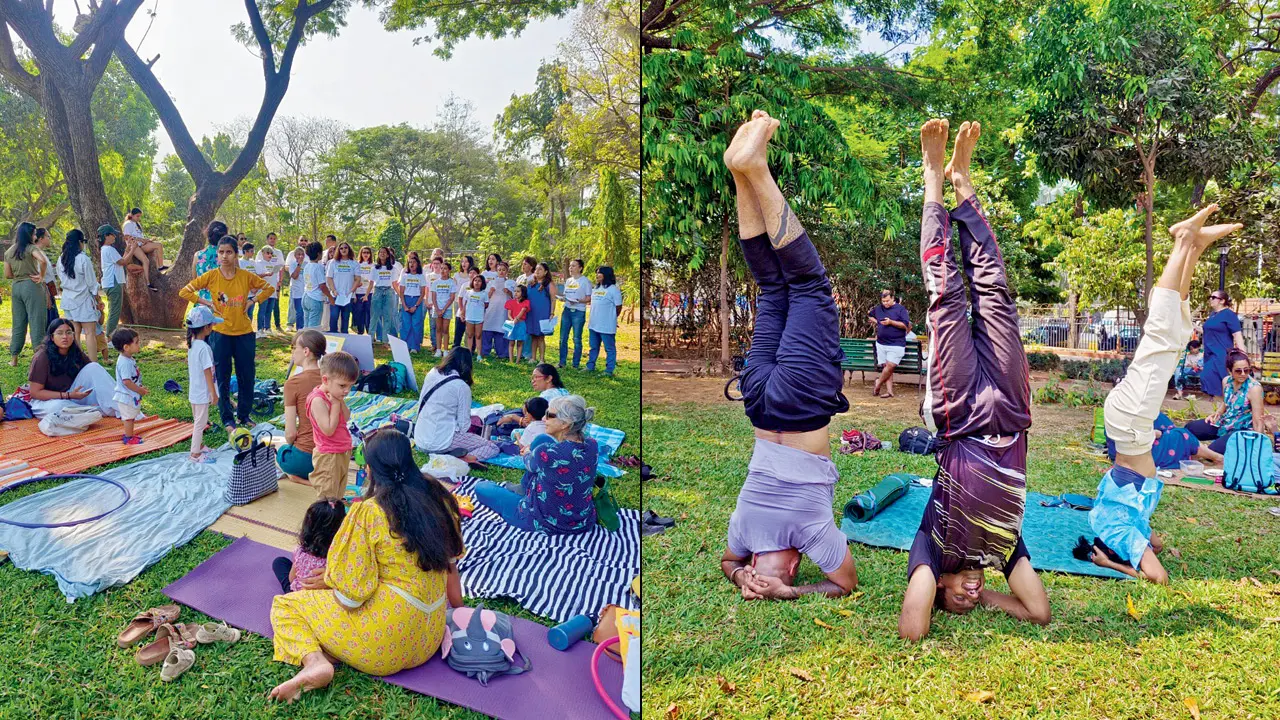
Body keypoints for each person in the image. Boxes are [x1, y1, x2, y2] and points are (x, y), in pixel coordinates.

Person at [895, 120, 1047, 640]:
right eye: (971, 599)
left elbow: (913, 628)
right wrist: (987, 601)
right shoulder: (1004, 550)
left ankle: (933, 178)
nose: (969, 593)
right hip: (1012, 413)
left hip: (958, 416)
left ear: (938, 585)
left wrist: (936, 581)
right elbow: (1038, 611)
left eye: (956, 597)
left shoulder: (932, 547)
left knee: (946, 297)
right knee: (996, 296)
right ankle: (964, 182)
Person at [716, 111, 856, 603]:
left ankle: (754, 170)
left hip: (798, 404)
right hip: (757, 400)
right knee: (772, 287)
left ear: (794, 564)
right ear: (758, 562)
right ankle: (740, 172)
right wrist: (742, 577)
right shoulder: (743, 532)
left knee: (807, 283)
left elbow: (844, 583)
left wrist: (788, 593)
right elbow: (728, 561)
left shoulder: (812, 534)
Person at [1083, 204, 1241, 584]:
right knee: (1177, 337)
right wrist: (1151, 545)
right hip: (1129, 422)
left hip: (1131, 420)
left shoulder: (1118, 533)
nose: (1147, 548)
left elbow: (1160, 577)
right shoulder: (1114, 522)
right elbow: (1156, 542)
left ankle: (1183, 239)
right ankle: (1194, 248)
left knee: (1161, 336)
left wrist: (1112, 565)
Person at [267, 428, 464, 702]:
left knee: (285, 606)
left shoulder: (369, 512)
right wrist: (460, 613)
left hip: (383, 645)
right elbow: (450, 568)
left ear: (369, 469)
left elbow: (350, 599)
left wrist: (331, 581)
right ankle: (334, 651)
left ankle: (315, 662)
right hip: (429, 638)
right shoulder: (439, 499)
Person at [179, 235, 275, 432]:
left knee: (246, 375)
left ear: (236, 254)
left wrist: (253, 300)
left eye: (229, 252)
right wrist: (207, 303)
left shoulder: (245, 276)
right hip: (220, 334)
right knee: (222, 377)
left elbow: (269, 288)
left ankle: (244, 415)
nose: (224, 256)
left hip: (244, 333)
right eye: (221, 252)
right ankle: (227, 419)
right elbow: (185, 291)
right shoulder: (212, 276)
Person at [474, 395, 601, 534]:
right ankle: (523, 489)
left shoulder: (547, 452)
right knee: (542, 438)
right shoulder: (592, 444)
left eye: (549, 415)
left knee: (482, 487)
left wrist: (528, 451)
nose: (543, 419)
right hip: (582, 521)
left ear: (565, 424)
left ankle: (522, 491)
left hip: (540, 521)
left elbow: (529, 462)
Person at [413, 348, 499, 461]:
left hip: (420, 438)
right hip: (441, 442)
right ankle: (463, 459)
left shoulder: (432, 373)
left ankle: (452, 453)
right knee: (491, 447)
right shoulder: (461, 386)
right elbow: (464, 426)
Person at [26, 318, 116, 418]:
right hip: (48, 401)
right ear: (52, 337)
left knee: (94, 367)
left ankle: (119, 406)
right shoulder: (42, 357)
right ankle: (92, 410)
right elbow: (35, 393)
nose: (65, 337)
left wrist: (71, 395)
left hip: (73, 396)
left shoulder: (76, 352)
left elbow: (92, 375)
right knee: (58, 407)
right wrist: (67, 395)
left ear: (73, 335)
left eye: (69, 333)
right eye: (59, 333)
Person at [1184, 348, 1265, 455]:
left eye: (1246, 370)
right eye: (1238, 371)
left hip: (1242, 429)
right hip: (1225, 423)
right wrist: (1217, 413)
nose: (1243, 374)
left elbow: (1258, 420)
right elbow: (1226, 402)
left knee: (1212, 452)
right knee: (1189, 429)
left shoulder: (1254, 389)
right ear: (1229, 370)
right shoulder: (1226, 381)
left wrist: (1257, 445)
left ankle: (1219, 447)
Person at [306, 351, 358, 500]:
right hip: (328, 455)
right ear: (325, 380)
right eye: (342, 385)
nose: (347, 391)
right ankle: (328, 515)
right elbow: (328, 430)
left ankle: (337, 511)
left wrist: (339, 401)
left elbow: (346, 417)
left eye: (350, 386)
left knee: (338, 493)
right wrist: (335, 404)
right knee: (328, 497)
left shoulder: (336, 395)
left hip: (341, 450)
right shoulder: (318, 400)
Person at [278, 330, 326, 484]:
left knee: (279, 452)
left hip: (306, 458)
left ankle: (302, 480)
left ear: (306, 351)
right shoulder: (330, 379)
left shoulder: (293, 383)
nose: (292, 352)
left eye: (294, 348)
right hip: (331, 456)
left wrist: (289, 445)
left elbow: (290, 433)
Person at [272, 499, 347, 594]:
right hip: (325, 598)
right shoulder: (341, 555)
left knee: (279, 562)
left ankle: (291, 595)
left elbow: (291, 579)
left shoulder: (300, 552)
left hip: (300, 594)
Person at [55, 229, 103, 363]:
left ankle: (77, 362)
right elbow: (91, 283)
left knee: (75, 333)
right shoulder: (83, 259)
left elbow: (61, 279)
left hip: (68, 300)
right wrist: (97, 298)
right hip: (83, 300)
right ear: (80, 242)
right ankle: (93, 364)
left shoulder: (61, 258)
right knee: (90, 333)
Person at [5, 222, 45, 366]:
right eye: (34, 234)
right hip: (31, 285)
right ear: (29, 234)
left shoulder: (9, 251)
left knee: (18, 322)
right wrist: (41, 275)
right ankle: (39, 358)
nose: (35, 237)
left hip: (16, 287)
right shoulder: (31, 248)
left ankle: (14, 358)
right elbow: (42, 260)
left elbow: (8, 275)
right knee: (37, 321)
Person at [186, 305, 220, 464]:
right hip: (201, 393)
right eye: (212, 324)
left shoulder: (192, 345)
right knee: (200, 423)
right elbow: (208, 372)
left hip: (194, 391)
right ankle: (195, 454)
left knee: (198, 420)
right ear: (206, 327)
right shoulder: (204, 348)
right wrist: (213, 393)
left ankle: (199, 446)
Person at [1200, 290, 1245, 402]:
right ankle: (1222, 407)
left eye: (1213, 297)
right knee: (1209, 379)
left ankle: (1227, 406)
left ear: (1222, 301)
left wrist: (1243, 355)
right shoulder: (1213, 315)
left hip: (1222, 354)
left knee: (1222, 382)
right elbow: (1209, 331)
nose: (1210, 299)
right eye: (1210, 297)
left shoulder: (1229, 314)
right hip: (1209, 354)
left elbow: (1237, 335)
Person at [868, 288, 911, 398]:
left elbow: (906, 325)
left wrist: (891, 322)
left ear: (892, 298)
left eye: (887, 301)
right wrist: (878, 322)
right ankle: (889, 391)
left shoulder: (900, 309)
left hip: (897, 343)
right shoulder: (879, 308)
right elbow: (870, 315)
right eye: (883, 301)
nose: (885, 303)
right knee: (887, 368)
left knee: (891, 365)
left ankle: (878, 383)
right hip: (881, 343)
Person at [111, 328, 147, 446]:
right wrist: (139, 390)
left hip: (129, 395)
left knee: (131, 416)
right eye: (136, 342)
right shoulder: (125, 362)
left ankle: (129, 434)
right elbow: (127, 381)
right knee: (129, 417)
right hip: (126, 396)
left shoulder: (128, 359)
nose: (139, 344)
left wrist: (139, 386)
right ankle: (128, 437)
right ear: (126, 347)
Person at [587, 266, 624, 377]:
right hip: (593, 324)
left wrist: (611, 318)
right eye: (597, 273)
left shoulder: (613, 290)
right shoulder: (596, 289)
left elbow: (618, 307)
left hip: (606, 326)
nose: (597, 275)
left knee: (609, 349)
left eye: (599, 273)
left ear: (606, 275)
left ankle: (609, 370)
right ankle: (590, 366)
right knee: (593, 347)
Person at [120, 207, 167, 292]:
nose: (139, 218)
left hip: (141, 245)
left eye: (140, 216)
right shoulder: (128, 224)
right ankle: (148, 283)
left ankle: (160, 266)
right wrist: (141, 240)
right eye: (137, 216)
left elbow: (140, 237)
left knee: (159, 245)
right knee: (146, 261)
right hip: (133, 246)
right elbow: (126, 236)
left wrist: (147, 240)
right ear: (132, 215)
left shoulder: (137, 224)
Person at [558, 259, 592, 369]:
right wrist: (563, 298)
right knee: (563, 338)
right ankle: (562, 362)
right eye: (570, 266)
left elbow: (589, 298)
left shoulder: (585, 281)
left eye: (573, 266)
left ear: (580, 268)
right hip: (567, 310)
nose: (570, 268)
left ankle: (575, 364)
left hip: (578, 311)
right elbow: (566, 295)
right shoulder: (568, 281)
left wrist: (578, 300)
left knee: (576, 339)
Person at [98, 225, 129, 336]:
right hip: (113, 282)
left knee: (113, 309)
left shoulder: (105, 249)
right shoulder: (109, 249)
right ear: (106, 236)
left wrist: (128, 249)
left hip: (109, 283)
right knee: (115, 311)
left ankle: (111, 334)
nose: (114, 237)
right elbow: (123, 262)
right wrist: (133, 249)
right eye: (112, 234)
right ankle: (110, 336)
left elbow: (121, 260)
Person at [526, 262, 556, 363]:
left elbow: (553, 300)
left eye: (540, 269)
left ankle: (542, 359)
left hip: (542, 313)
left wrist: (551, 313)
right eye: (536, 269)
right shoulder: (531, 284)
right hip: (531, 313)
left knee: (540, 336)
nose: (537, 271)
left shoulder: (549, 284)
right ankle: (533, 357)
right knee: (533, 336)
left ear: (546, 272)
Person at [398, 253, 428, 353]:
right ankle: (405, 345)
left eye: (414, 262)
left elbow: (422, 293)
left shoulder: (421, 277)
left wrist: (416, 306)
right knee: (406, 324)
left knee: (416, 324)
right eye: (410, 262)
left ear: (417, 264)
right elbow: (401, 292)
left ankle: (414, 346)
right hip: (406, 300)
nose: (412, 264)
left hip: (416, 300)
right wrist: (404, 305)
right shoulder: (405, 276)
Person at [481, 261, 511, 360]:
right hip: (492, 310)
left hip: (505, 311)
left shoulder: (510, 283)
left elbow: (516, 296)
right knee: (488, 329)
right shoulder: (491, 282)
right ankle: (485, 351)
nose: (501, 272)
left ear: (507, 271)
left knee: (503, 330)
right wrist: (491, 291)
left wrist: (509, 292)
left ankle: (503, 353)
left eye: (503, 270)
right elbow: (485, 297)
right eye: (499, 270)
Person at [370, 247, 400, 343]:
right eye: (380, 252)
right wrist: (366, 295)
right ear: (378, 255)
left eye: (384, 252)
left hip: (389, 292)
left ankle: (385, 341)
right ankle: (370, 339)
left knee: (388, 317)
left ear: (387, 255)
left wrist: (401, 295)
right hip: (377, 291)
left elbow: (394, 284)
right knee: (374, 316)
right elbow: (371, 283)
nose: (382, 254)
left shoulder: (393, 269)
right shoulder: (374, 268)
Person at [190, 221, 226, 304]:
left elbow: (195, 281)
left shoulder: (198, 255)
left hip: (203, 304)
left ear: (207, 234)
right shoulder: (229, 256)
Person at [256, 244, 284, 336]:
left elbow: (276, 277)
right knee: (262, 310)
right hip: (263, 290)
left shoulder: (273, 264)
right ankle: (259, 329)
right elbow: (257, 276)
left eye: (271, 253)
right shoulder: (259, 263)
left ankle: (267, 327)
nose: (270, 255)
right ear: (262, 253)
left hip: (272, 291)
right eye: (268, 253)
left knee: (269, 310)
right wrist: (266, 274)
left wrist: (277, 287)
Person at [34, 227, 58, 333]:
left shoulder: (42, 253)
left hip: (49, 289)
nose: (50, 239)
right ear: (41, 238)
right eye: (48, 237)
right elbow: (40, 276)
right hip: (44, 291)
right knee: (49, 324)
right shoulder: (36, 253)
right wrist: (47, 295)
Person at [431, 261, 457, 358]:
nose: (442, 270)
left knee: (445, 330)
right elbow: (433, 297)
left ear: (449, 270)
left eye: (445, 269)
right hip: (437, 308)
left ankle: (445, 350)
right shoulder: (435, 282)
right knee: (438, 329)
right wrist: (437, 309)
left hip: (447, 309)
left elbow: (452, 297)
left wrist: (444, 309)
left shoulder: (451, 282)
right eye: (441, 268)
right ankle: (438, 350)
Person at [301, 242, 329, 329]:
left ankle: (304, 337)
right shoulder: (318, 267)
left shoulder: (306, 266)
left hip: (306, 296)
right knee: (314, 328)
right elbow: (322, 285)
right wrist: (330, 297)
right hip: (315, 298)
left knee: (306, 326)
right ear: (318, 254)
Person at [451, 255, 477, 348]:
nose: (464, 263)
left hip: (472, 304)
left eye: (466, 261)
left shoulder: (475, 277)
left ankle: (468, 346)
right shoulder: (456, 275)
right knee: (459, 324)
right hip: (458, 302)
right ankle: (456, 347)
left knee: (470, 326)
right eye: (462, 261)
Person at [504, 285, 531, 363]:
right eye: (515, 291)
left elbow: (522, 311)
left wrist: (516, 319)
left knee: (520, 343)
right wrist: (512, 320)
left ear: (523, 293)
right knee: (511, 342)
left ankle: (517, 360)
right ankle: (511, 360)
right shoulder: (510, 302)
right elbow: (509, 314)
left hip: (521, 324)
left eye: (518, 291)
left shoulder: (526, 302)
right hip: (511, 323)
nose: (515, 293)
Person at [463, 274, 488, 355]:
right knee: (470, 335)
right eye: (475, 280)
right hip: (469, 317)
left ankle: (479, 355)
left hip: (479, 317)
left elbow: (486, 304)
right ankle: (469, 353)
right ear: (472, 282)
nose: (477, 282)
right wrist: (463, 313)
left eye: (479, 281)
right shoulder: (468, 292)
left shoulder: (484, 293)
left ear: (482, 283)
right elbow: (465, 304)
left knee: (478, 336)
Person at [352, 246, 374, 335]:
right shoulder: (356, 264)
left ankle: (370, 334)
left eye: (368, 253)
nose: (366, 254)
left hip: (369, 292)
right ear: (361, 253)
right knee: (359, 313)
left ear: (370, 254)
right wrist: (354, 293)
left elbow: (373, 281)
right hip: (358, 292)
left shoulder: (373, 265)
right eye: (364, 252)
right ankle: (360, 332)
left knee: (369, 314)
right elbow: (353, 279)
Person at [285, 245, 307, 331]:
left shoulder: (307, 264)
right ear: (295, 256)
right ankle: (299, 329)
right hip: (297, 292)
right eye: (298, 254)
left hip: (306, 292)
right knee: (299, 312)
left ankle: (305, 329)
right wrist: (299, 265)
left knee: (305, 312)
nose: (300, 256)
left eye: (302, 254)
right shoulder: (292, 265)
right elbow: (294, 276)